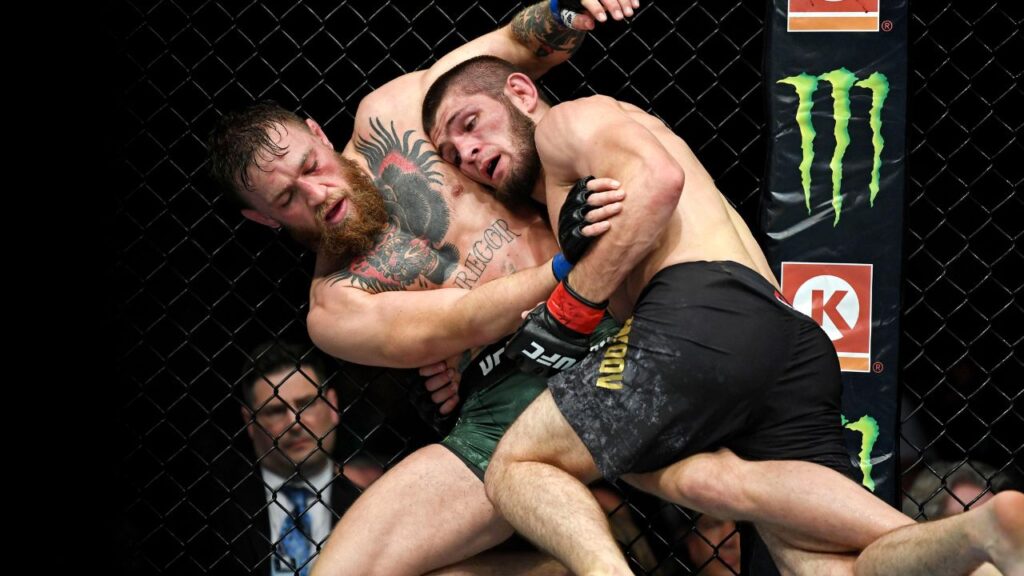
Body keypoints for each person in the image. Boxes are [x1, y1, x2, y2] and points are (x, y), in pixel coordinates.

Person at [422, 55, 1024, 576]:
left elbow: (658, 183)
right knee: (821, 564)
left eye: (471, 125)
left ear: (522, 93)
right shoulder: (573, 192)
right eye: (454, 154)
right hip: (781, 338)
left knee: (518, 464)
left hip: (699, 313)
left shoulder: (567, 122)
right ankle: (978, 534)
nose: (469, 153)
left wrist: (568, 306)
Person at [207, 3, 649, 574]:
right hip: (512, 397)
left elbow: (515, 49)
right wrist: (571, 259)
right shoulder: (335, 306)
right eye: (288, 198)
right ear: (264, 219)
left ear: (318, 133)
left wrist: (567, 9)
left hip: (616, 310)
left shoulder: (392, 113)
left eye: (310, 165)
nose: (315, 193)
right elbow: (464, 319)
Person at [211, 339, 381, 575]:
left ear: (332, 406)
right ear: (250, 422)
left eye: (307, 403)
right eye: (275, 410)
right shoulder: (217, 511)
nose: (295, 423)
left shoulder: (369, 509)